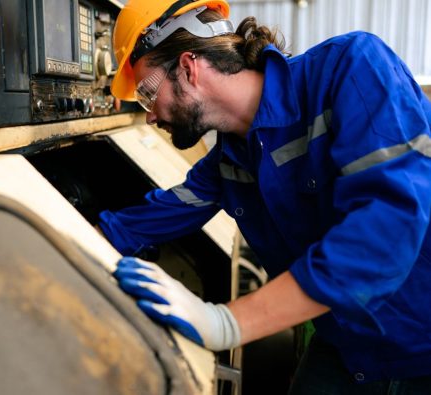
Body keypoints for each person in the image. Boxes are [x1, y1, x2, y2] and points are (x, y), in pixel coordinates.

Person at [98, 0, 431, 392]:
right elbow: (147, 219)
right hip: (348, 345)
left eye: (148, 93)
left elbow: (385, 235)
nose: (150, 115)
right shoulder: (230, 159)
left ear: (188, 67)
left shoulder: (352, 69)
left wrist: (226, 323)